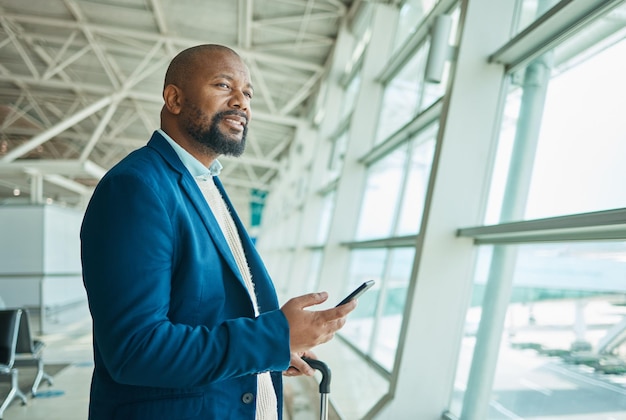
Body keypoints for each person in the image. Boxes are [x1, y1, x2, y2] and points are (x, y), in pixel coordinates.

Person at [80, 44, 356, 420]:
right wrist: (273, 337)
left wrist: (274, 350)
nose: (241, 102)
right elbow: (136, 350)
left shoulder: (204, 184)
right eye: (224, 86)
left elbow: (205, 316)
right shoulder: (136, 188)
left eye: (248, 93)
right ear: (174, 98)